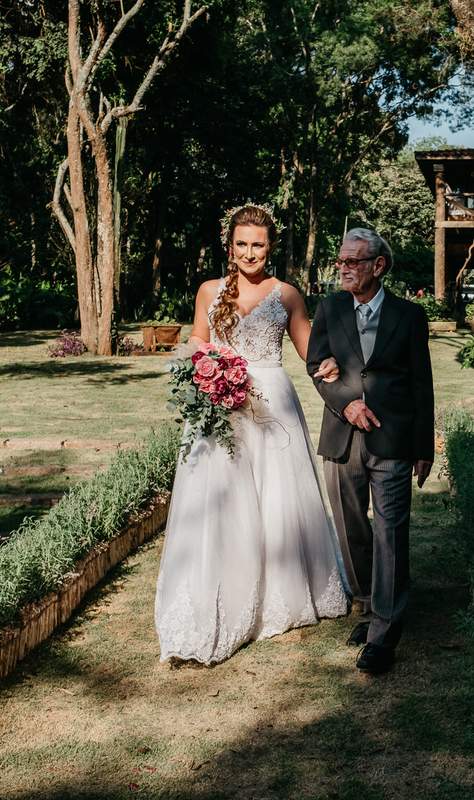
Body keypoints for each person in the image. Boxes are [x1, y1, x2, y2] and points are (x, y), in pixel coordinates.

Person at [155, 204, 349, 665]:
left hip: (272, 403)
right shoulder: (208, 290)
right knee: (219, 496)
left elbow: (310, 353)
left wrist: (331, 363)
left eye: (257, 244)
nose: (249, 252)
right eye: (241, 244)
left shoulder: (286, 295)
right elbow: (198, 342)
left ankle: (276, 595)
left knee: (275, 499)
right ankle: (218, 588)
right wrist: (203, 364)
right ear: (230, 246)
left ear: (271, 247)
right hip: (218, 402)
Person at [307, 228, 435, 675]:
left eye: (352, 262)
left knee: (390, 534)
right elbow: (315, 365)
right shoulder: (330, 307)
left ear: (378, 265)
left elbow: (422, 383)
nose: (342, 268)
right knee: (350, 529)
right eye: (340, 260)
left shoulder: (409, 314)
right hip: (342, 437)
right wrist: (346, 400)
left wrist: (424, 446)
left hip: (394, 439)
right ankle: (367, 605)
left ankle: (383, 633)